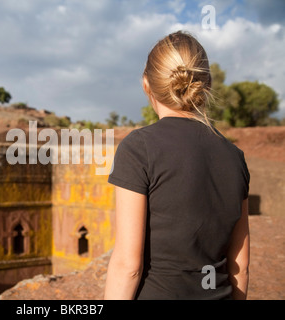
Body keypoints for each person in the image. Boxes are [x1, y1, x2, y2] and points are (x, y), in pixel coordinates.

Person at [104, 31, 250, 300]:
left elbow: (128, 266)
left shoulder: (139, 148)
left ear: (146, 84)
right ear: (206, 83)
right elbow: (240, 268)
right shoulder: (234, 156)